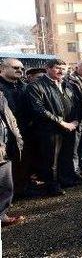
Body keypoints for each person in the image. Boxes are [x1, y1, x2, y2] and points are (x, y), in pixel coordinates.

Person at [26, 59, 80, 195]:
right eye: (58, 68)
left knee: (66, 156)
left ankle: (65, 180)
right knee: (51, 160)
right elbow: (39, 109)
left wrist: (75, 121)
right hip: (49, 129)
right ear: (48, 68)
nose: (62, 71)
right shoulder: (36, 86)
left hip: (69, 127)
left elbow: (75, 104)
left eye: (64, 68)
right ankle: (52, 186)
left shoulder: (68, 85)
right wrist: (61, 122)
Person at [0, 59, 29, 197]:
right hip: (5, 132)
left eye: (22, 68)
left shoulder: (24, 86)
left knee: (22, 160)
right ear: (3, 69)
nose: (20, 70)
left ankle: (21, 189)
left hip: (24, 129)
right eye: (16, 67)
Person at [0, 91, 24, 226]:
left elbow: (11, 119)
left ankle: (1, 215)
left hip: (5, 148)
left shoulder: (1, 96)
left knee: (6, 185)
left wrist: (17, 137)